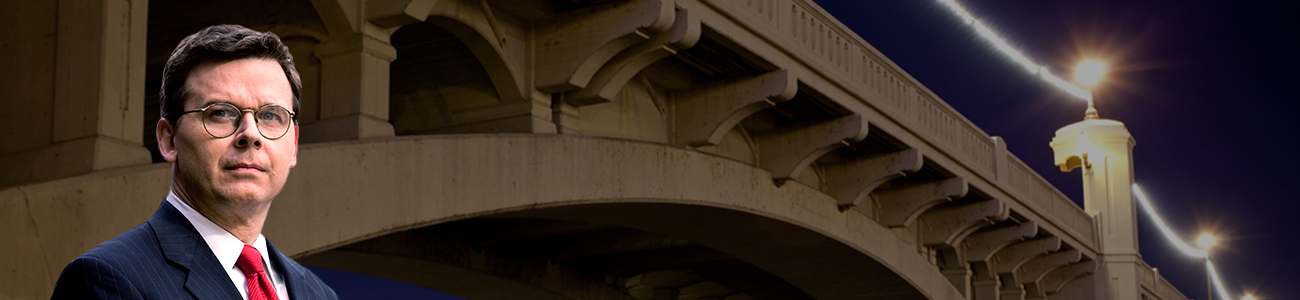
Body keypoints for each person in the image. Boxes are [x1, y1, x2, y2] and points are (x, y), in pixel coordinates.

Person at [51, 24, 337, 299]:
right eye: (221, 113)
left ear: (294, 145)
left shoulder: (319, 293)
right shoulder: (106, 279)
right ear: (169, 139)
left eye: (271, 116)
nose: (250, 134)